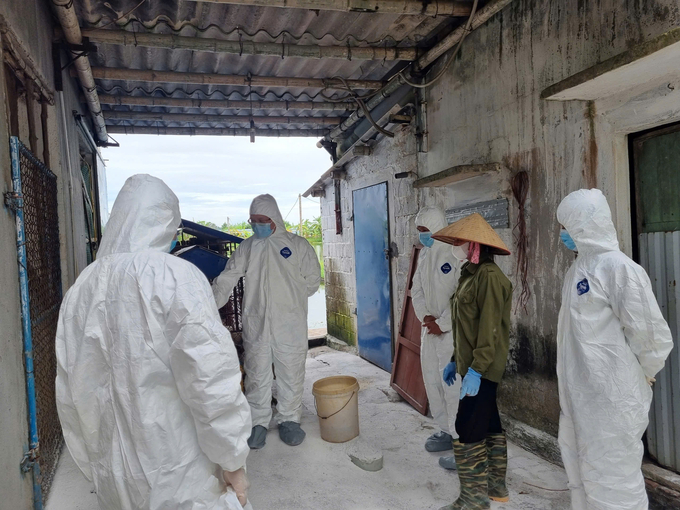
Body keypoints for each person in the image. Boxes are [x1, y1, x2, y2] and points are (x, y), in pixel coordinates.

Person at [55, 174, 252, 510]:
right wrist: (232, 458)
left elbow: (72, 387)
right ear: (165, 223)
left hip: (112, 469)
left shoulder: (83, 286)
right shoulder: (174, 276)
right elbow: (209, 378)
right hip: (175, 460)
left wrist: (94, 462)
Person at [556, 189, 673, 510]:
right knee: (581, 471)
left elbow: (651, 334)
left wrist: (646, 373)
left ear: (583, 225)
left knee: (613, 481)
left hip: (612, 398)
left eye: (566, 226)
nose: (562, 235)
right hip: (580, 396)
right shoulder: (578, 270)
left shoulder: (619, 269)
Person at [213, 194, 321, 449]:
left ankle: (289, 420)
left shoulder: (297, 245)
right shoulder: (248, 247)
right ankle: (258, 422)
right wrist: (210, 303)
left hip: (289, 323)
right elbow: (229, 277)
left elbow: (313, 280)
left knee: (291, 372)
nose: (257, 225)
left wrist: (290, 302)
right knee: (257, 373)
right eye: (253, 221)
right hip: (257, 323)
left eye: (263, 220)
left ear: (274, 219)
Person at [432, 212, 513, 510]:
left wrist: (476, 370)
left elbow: (489, 330)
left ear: (476, 245)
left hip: (484, 367)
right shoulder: (470, 274)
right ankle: (496, 488)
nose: (456, 245)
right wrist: (456, 359)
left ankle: (473, 500)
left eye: (460, 241)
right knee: (489, 423)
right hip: (472, 365)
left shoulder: (489, 278)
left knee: (466, 426)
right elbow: (468, 326)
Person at [411, 207, 462, 469]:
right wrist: (426, 318)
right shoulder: (426, 255)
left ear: (437, 227)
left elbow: (462, 296)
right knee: (432, 381)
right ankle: (444, 430)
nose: (422, 236)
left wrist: (442, 323)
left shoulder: (455, 254)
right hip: (429, 330)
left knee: (452, 388)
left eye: (425, 230)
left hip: (451, 333)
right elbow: (415, 290)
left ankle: (460, 439)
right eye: (419, 231)